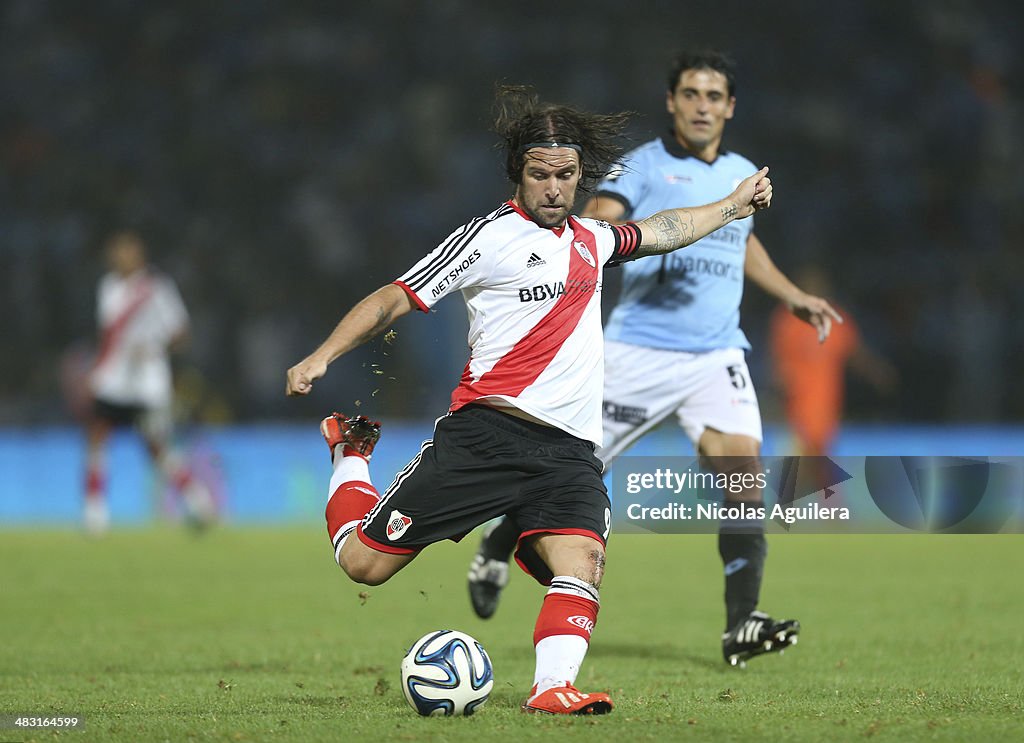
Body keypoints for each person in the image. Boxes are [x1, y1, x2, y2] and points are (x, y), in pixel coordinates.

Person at [285, 85, 773, 714]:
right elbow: (393, 298)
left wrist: (733, 206)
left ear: (579, 178)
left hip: (569, 453)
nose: (552, 187)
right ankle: (351, 455)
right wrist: (324, 355)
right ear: (519, 174)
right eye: (539, 174)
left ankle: (551, 690)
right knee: (363, 565)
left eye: (564, 175)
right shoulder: (487, 237)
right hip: (486, 438)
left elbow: (665, 229)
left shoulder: (594, 241)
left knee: (582, 560)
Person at [467, 51, 840, 668]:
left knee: (743, 477)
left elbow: (742, 243)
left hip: (716, 354)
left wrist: (794, 296)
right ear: (672, 102)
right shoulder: (641, 164)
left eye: (713, 96)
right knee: (565, 472)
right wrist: (639, 228)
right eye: (690, 94)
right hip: (638, 352)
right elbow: (601, 220)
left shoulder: (744, 171)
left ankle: (741, 624)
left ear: (729, 107)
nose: (701, 105)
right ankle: (497, 543)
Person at [84, 230, 216, 535]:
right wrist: (98, 370)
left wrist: (154, 347)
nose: (120, 257)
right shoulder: (108, 287)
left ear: (139, 255)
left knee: (155, 445)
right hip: (114, 380)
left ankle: (198, 502)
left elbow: (181, 331)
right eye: (116, 252)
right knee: (97, 438)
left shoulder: (157, 288)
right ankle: (95, 513)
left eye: (126, 251)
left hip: (147, 383)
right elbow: (106, 335)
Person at [770, 265, 896, 457]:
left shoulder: (834, 319)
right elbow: (778, 364)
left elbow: (854, 352)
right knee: (800, 466)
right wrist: (781, 391)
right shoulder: (788, 321)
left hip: (827, 409)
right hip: (796, 412)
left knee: (820, 465)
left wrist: (877, 372)